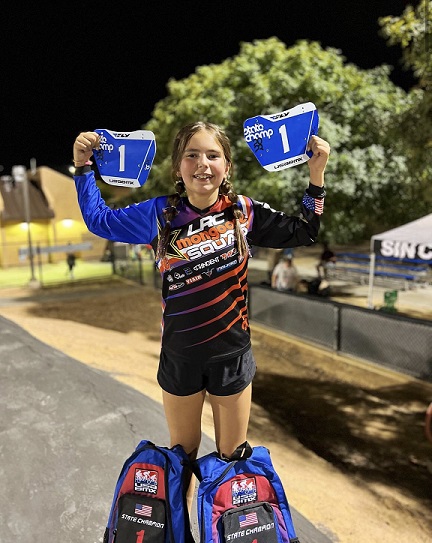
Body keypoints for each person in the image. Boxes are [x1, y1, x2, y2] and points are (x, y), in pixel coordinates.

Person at [72, 122, 330, 509]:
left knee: (232, 463)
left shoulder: (243, 212)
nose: (202, 164)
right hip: (181, 358)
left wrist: (316, 175)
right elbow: (99, 220)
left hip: (232, 358)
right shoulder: (158, 213)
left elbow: (306, 231)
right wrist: (82, 169)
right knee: (180, 462)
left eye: (213, 155)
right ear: (178, 167)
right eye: (191, 155)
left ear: (227, 166)